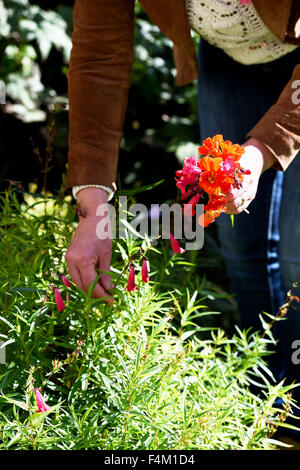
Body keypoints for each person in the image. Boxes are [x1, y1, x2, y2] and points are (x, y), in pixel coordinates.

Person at [65, 0, 300, 402]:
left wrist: (260, 150)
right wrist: (93, 208)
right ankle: (272, 403)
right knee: (241, 242)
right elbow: (98, 57)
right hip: (231, 58)